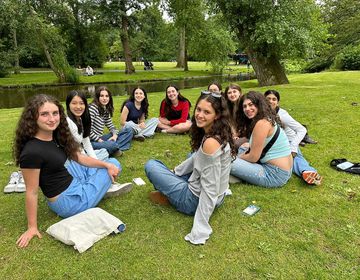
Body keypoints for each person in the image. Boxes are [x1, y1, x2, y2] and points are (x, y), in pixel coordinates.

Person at [14, 94, 122, 248]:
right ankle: (100, 187)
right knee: (115, 162)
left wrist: (106, 166)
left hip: (73, 182)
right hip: (69, 202)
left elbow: (78, 157)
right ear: (33, 117)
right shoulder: (32, 152)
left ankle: (97, 184)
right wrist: (32, 227)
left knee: (108, 164)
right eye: (44, 114)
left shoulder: (55, 136)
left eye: (55, 113)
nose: (52, 119)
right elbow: (31, 191)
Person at [145, 91, 236, 245]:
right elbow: (196, 158)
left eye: (207, 112)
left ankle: (169, 196)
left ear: (217, 115)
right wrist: (176, 172)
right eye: (198, 109)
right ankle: (172, 186)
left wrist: (200, 229)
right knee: (191, 156)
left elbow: (210, 188)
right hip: (218, 197)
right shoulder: (219, 132)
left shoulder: (210, 143)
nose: (200, 115)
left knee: (152, 165)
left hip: (193, 200)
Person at [66, 90, 133, 193]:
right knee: (107, 155)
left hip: (85, 151)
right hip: (75, 160)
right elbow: (80, 151)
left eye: (81, 103)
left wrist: (115, 134)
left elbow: (87, 142)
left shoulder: (85, 118)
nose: (78, 106)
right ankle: (103, 185)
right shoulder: (70, 122)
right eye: (74, 103)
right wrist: (98, 141)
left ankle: (112, 148)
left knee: (126, 131)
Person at [230, 91, 293, 188]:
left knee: (225, 160)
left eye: (251, 105)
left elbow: (253, 157)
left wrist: (237, 158)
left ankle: (235, 175)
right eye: (244, 106)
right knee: (244, 146)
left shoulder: (262, 124)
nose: (247, 109)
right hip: (285, 170)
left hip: (273, 174)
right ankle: (238, 174)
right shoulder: (266, 118)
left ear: (259, 104)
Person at [264, 89, 322, 185]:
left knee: (294, 157)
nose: (271, 101)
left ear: (277, 102)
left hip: (288, 141)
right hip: (274, 142)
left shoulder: (282, 115)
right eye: (268, 99)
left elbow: (302, 129)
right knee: (285, 160)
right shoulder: (261, 112)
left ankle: (307, 172)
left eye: (274, 99)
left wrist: (293, 147)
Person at [89, 86, 134, 156]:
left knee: (129, 130)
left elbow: (111, 126)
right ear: (97, 97)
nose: (104, 98)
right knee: (112, 145)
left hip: (100, 138)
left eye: (107, 96)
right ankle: (113, 148)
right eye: (102, 96)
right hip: (91, 142)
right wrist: (100, 141)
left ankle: (112, 148)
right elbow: (87, 130)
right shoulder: (92, 108)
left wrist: (115, 135)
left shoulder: (105, 109)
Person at [223, 83, 246, 148]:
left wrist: (239, 134)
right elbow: (231, 122)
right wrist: (234, 134)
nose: (232, 94)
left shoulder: (244, 105)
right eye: (229, 93)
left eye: (234, 91)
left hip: (246, 134)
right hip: (236, 134)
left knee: (233, 144)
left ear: (239, 93)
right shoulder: (228, 106)